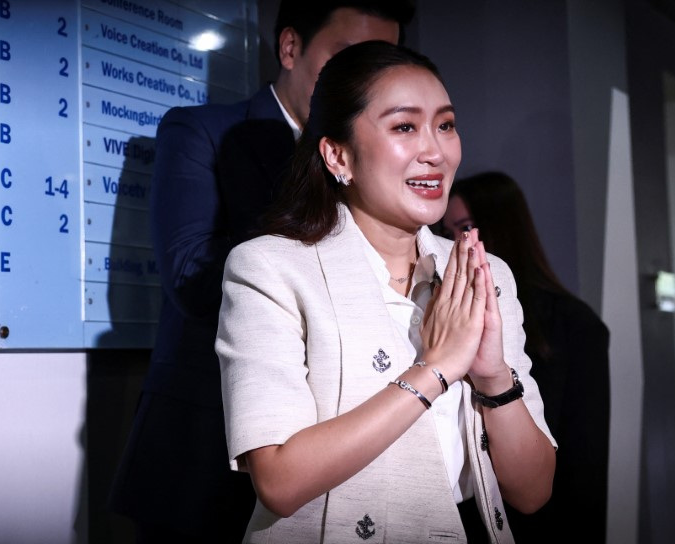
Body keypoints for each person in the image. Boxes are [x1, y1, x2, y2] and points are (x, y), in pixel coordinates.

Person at [216, 41, 556, 544]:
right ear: (338, 154)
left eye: (445, 125)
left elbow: (533, 492)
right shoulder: (269, 268)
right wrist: (435, 370)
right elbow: (279, 482)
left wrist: (492, 376)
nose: (435, 152)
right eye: (404, 127)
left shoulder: (485, 273)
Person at [108, 3, 414, 543]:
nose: (361, 81)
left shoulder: (386, 162)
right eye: (346, 59)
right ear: (291, 48)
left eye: (377, 64)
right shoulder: (201, 130)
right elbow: (189, 275)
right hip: (207, 447)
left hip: (341, 452)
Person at [442, 171, 610, 543]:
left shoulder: (574, 325)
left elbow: (586, 466)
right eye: (448, 229)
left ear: (499, 225)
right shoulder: (451, 313)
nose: (455, 243)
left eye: (466, 227)